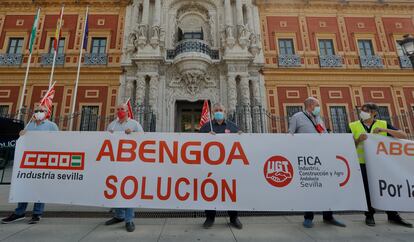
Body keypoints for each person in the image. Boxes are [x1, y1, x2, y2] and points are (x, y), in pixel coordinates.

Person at [349, 103, 412, 228]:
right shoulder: (353, 125)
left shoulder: (382, 124)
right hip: (362, 163)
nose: (362, 112)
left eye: (365, 110)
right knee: (367, 190)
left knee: (386, 189)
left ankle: (393, 214)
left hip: (382, 164)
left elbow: (403, 135)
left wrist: (384, 130)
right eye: (361, 110)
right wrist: (357, 140)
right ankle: (369, 215)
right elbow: (346, 146)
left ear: (374, 113)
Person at [289, 97, 346, 229]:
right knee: (310, 188)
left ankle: (328, 216)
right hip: (307, 158)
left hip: (322, 156)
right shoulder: (297, 117)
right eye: (317, 105)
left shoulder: (319, 119)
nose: (319, 107)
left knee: (326, 186)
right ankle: (308, 217)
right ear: (310, 106)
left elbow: (324, 134)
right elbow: (290, 136)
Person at [1, 105, 59, 224]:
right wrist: (21, 135)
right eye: (36, 110)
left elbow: (57, 141)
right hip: (28, 161)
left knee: (39, 186)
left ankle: (37, 213)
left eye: (41, 110)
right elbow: (22, 143)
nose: (38, 112)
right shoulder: (29, 125)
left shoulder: (51, 126)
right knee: (24, 185)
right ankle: (19, 212)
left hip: (43, 160)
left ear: (47, 112)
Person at [199, 103, 243, 230]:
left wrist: (241, 136)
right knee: (210, 191)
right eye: (216, 110)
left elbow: (240, 144)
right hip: (211, 167)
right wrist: (206, 137)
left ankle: (234, 217)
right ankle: (210, 217)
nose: (219, 112)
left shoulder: (233, 127)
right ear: (212, 112)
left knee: (230, 191)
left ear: (225, 111)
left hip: (229, 168)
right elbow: (197, 143)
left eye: (221, 110)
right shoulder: (206, 127)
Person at [104, 103, 143, 232]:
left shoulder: (134, 125)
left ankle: (129, 219)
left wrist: (133, 134)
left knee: (128, 189)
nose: (120, 111)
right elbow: (105, 141)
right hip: (114, 162)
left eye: (123, 109)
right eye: (118, 109)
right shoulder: (112, 125)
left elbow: (144, 139)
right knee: (116, 188)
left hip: (130, 163)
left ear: (127, 111)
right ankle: (119, 215)